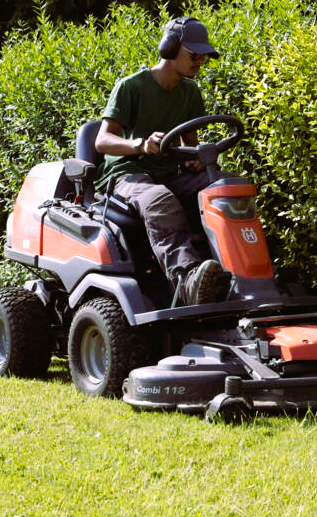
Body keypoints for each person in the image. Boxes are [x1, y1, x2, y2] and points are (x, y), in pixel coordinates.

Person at [94, 16, 228, 305]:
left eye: (204, 56)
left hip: (169, 173)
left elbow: (189, 144)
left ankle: (244, 272)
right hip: (127, 176)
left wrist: (194, 160)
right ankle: (188, 280)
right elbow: (102, 141)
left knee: (225, 187)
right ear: (169, 48)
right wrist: (140, 145)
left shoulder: (190, 92)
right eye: (194, 54)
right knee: (160, 200)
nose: (200, 61)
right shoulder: (131, 87)